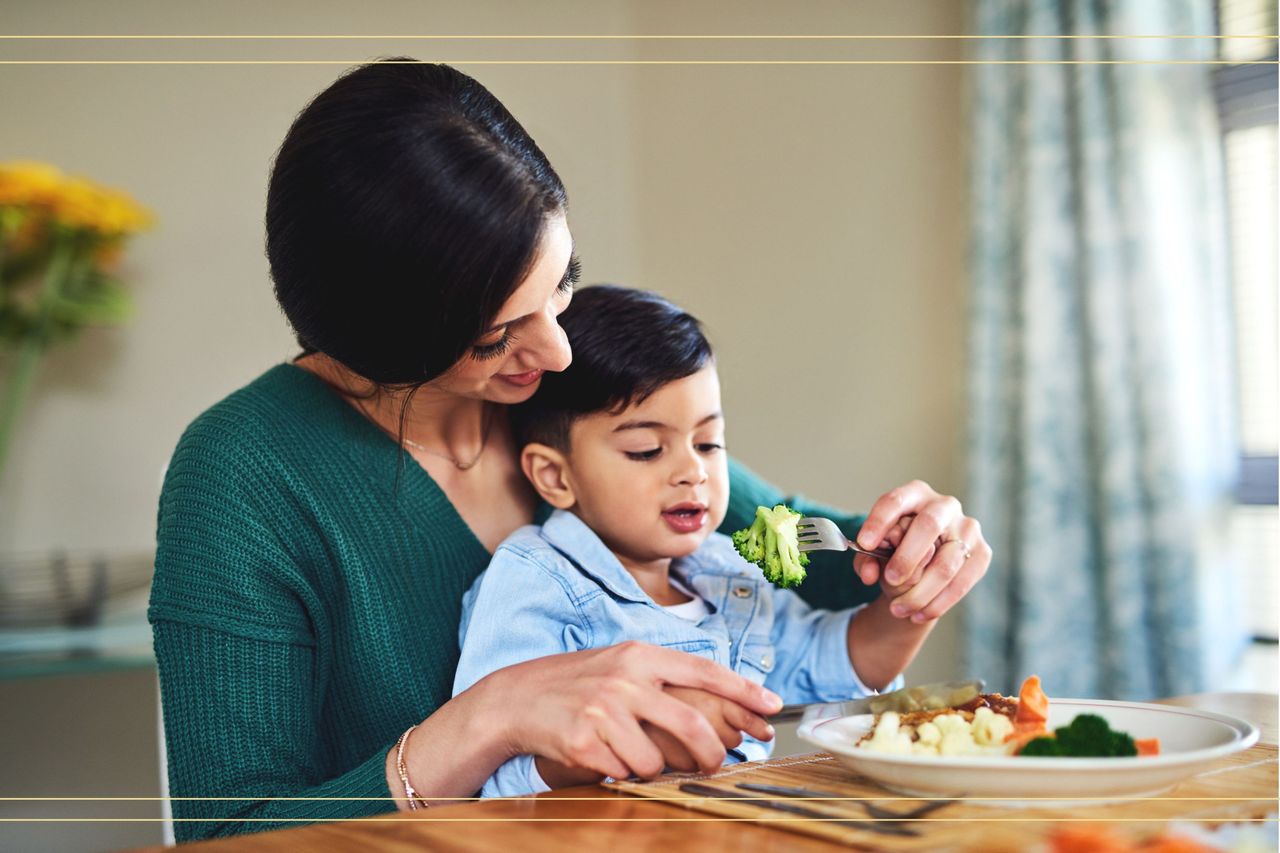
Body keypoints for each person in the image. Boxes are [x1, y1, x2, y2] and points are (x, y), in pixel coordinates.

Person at [149, 59, 991, 841]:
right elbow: (230, 835)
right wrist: (486, 718)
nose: (554, 351)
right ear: (380, 339)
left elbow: (809, 551)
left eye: (560, 283)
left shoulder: (566, 391)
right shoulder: (244, 476)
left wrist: (920, 540)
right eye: (496, 335)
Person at [453, 285, 957, 797]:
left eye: (708, 443)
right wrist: (617, 740)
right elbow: (494, 782)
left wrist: (910, 601)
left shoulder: (728, 572)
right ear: (556, 478)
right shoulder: (534, 582)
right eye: (647, 450)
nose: (693, 471)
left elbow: (838, 667)